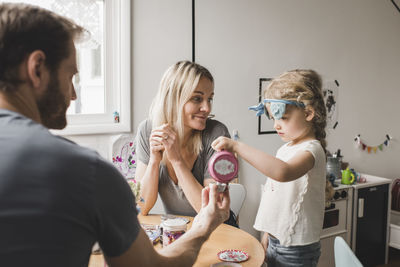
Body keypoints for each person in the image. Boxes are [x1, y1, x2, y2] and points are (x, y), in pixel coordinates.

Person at [0, 3, 230, 266]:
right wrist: (202, 229)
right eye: (71, 76)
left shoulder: (215, 133)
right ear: (37, 68)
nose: (74, 94)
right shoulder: (87, 172)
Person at [212, 69, 327, 266]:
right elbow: (277, 199)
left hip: (296, 249)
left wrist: (237, 145)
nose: (276, 125)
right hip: (275, 241)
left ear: (308, 113)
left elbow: (283, 172)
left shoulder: (312, 150)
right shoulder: (285, 149)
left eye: (283, 118)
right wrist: (266, 234)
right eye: (272, 118)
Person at [135, 61, 238, 226]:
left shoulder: (216, 134)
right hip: (178, 228)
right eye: (197, 98)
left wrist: (176, 160)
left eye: (209, 99)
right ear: (173, 99)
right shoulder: (147, 130)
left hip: (219, 228)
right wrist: (154, 161)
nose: (206, 108)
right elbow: (141, 206)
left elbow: (210, 211)